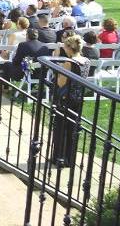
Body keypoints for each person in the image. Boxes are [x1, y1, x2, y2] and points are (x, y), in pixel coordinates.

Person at [51, 35, 90, 167]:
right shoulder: (86, 61)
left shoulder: (69, 62)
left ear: (69, 48)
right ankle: (70, 158)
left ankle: (59, 157)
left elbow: (61, 83)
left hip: (65, 97)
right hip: (78, 97)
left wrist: (59, 67)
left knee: (61, 128)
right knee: (73, 128)